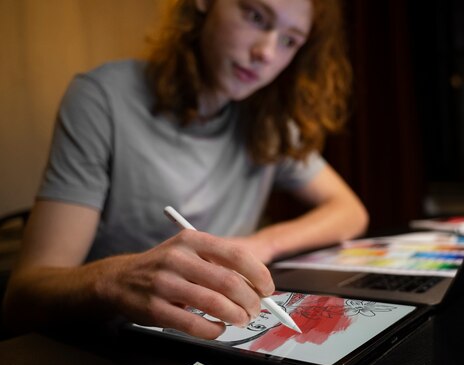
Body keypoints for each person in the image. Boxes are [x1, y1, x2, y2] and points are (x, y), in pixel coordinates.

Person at [2, 0, 368, 339]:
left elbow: (349, 211)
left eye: (290, 40)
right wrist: (115, 281)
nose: (266, 53)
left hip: (216, 343)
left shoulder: (266, 117)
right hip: (113, 350)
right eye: (255, 16)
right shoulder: (102, 99)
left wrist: (258, 245)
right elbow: (23, 298)